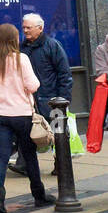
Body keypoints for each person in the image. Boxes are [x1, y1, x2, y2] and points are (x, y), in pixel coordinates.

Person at [0, 23, 50, 213]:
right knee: (29, 155)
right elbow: (33, 85)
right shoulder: (22, 59)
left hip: (0, 116)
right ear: (13, 39)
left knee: (2, 157)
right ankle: (39, 195)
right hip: (22, 115)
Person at [12, 13, 72, 177]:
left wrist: (64, 100)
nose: (25, 30)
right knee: (26, 133)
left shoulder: (52, 46)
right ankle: (23, 164)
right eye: (23, 27)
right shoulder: (21, 48)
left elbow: (64, 74)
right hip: (29, 101)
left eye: (28, 27)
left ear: (40, 28)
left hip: (52, 100)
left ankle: (61, 165)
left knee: (58, 136)